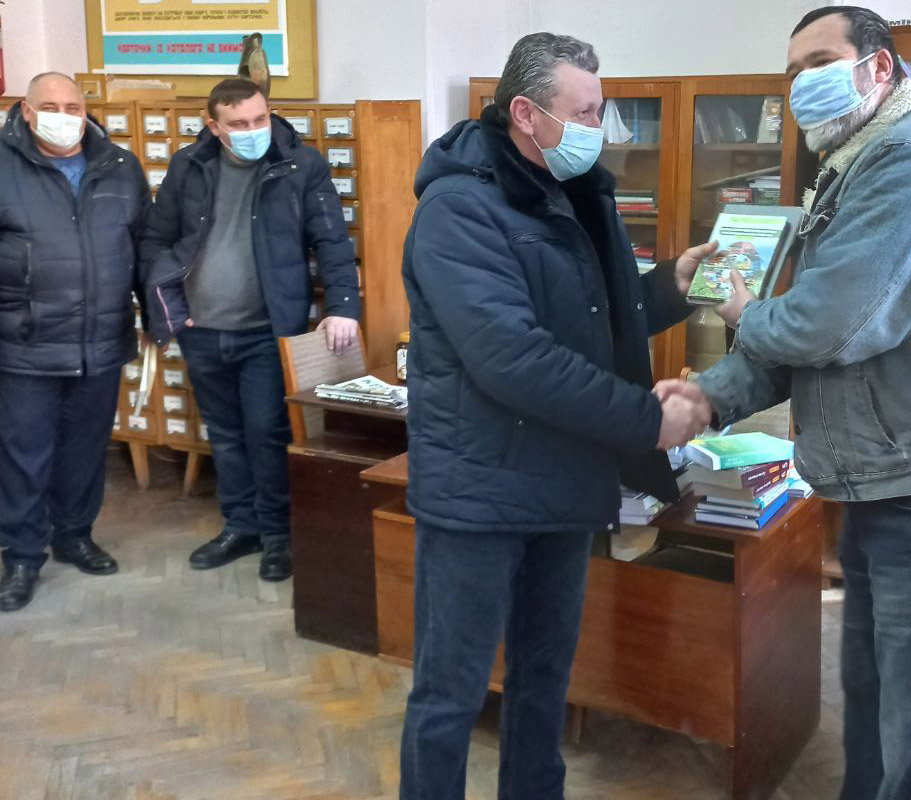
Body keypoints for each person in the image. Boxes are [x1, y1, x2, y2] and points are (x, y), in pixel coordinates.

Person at [656, 7, 911, 800]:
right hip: (884, 479)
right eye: (792, 71)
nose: (803, 84)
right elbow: (806, 342)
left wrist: (739, 308)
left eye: (821, 62)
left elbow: (832, 325)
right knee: (875, 704)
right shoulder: (854, 167)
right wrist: (705, 397)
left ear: (880, 69)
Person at [399, 32, 713, 799]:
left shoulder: (572, 192)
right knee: (450, 692)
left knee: (544, 680)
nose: (599, 129)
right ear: (526, 114)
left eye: (601, 111)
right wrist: (646, 419)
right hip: (480, 493)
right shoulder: (458, 210)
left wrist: (670, 286)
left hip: (564, 482)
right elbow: (513, 358)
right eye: (585, 112)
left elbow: (597, 317)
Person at [140, 78, 360, 582]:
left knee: (266, 432)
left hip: (265, 329)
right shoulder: (188, 166)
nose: (253, 130)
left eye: (260, 119)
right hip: (201, 328)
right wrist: (171, 312)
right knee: (224, 434)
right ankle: (240, 526)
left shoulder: (300, 166)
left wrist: (344, 305)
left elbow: (331, 240)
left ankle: (278, 533)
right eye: (238, 124)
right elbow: (156, 241)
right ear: (214, 127)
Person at [0, 73, 150, 611]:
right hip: (26, 341)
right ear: (26, 111)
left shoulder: (120, 165)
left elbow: (144, 247)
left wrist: (158, 318)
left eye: (73, 107)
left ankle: (75, 535)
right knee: (24, 454)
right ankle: (21, 555)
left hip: (101, 338)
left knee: (85, 448)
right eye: (50, 106)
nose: (64, 117)